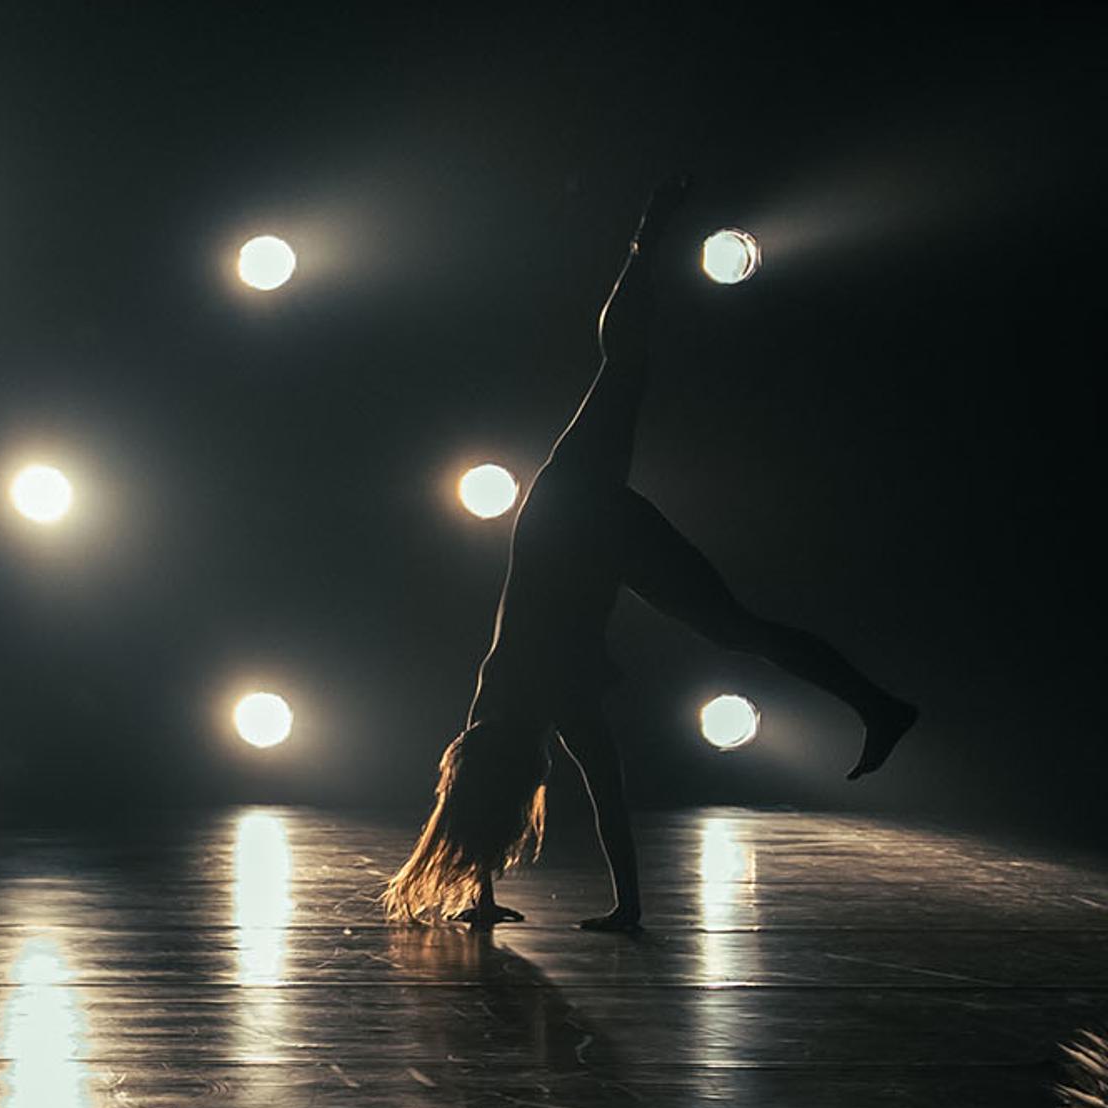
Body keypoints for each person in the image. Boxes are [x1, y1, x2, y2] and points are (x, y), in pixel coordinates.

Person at [383, 182, 917, 933]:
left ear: (527, 773)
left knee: (624, 372)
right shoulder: (495, 700)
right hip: (583, 524)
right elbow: (487, 795)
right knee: (731, 619)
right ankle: (879, 705)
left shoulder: (542, 704)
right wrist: (505, 899)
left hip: (579, 519)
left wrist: (614, 907)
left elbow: (592, 793)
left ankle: (650, 233)